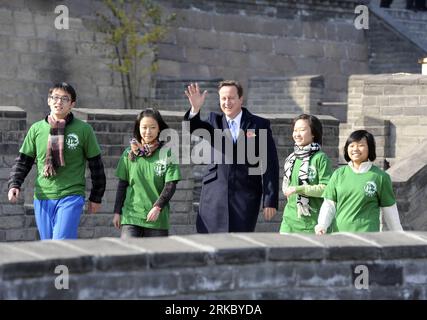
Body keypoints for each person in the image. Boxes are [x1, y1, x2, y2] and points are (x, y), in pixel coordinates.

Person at [8, 82, 106, 240]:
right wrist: (15, 184)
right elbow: (23, 161)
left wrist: (96, 197)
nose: (58, 102)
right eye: (55, 97)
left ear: (72, 104)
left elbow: (96, 166)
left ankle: (63, 266)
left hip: (71, 195)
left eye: (64, 99)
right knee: (48, 246)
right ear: (48, 100)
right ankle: (61, 266)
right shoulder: (36, 129)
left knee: (61, 242)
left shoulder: (83, 130)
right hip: (43, 196)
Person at [184, 81, 279, 233]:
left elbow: (270, 164)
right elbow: (193, 128)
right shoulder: (213, 121)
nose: (227, 102)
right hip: (214, 196)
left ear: (241, 99)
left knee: (239, 246)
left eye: (231, 98)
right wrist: (195, 108)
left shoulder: (258, 124)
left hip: (246, 196)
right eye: (223, 98)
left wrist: (270, 200)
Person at [315, 130, 403, 234]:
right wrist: (322, 225)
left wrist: (399, 235)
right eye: (351, 145)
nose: (355, 149)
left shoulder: (380, 177)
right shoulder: (338, 174)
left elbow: (389, 209)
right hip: (340, 236)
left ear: (370, 148)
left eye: (361, 145)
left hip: (368, 237)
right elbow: (329, 204)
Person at [112, 108, 181, 238]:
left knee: (157, 258)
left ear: (159, 129)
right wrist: (117, 212)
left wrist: (158, 207)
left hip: (156, 218)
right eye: (144, 127)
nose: (148, 132)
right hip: (131, 216)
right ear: (138, 128)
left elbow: (170, 185)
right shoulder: (128, 153)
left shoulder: (168, 153)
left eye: (152, 127)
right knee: (128, 257)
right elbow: (122, 184)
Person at [280, 114, 333, 233]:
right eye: (295, 130)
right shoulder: (291, 158)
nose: (297, 134)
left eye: (302, 130)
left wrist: (298, 189)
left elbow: (326, 189)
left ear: (313, 133)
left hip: (312, 223)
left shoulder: (320, 158)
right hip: (289, 220)